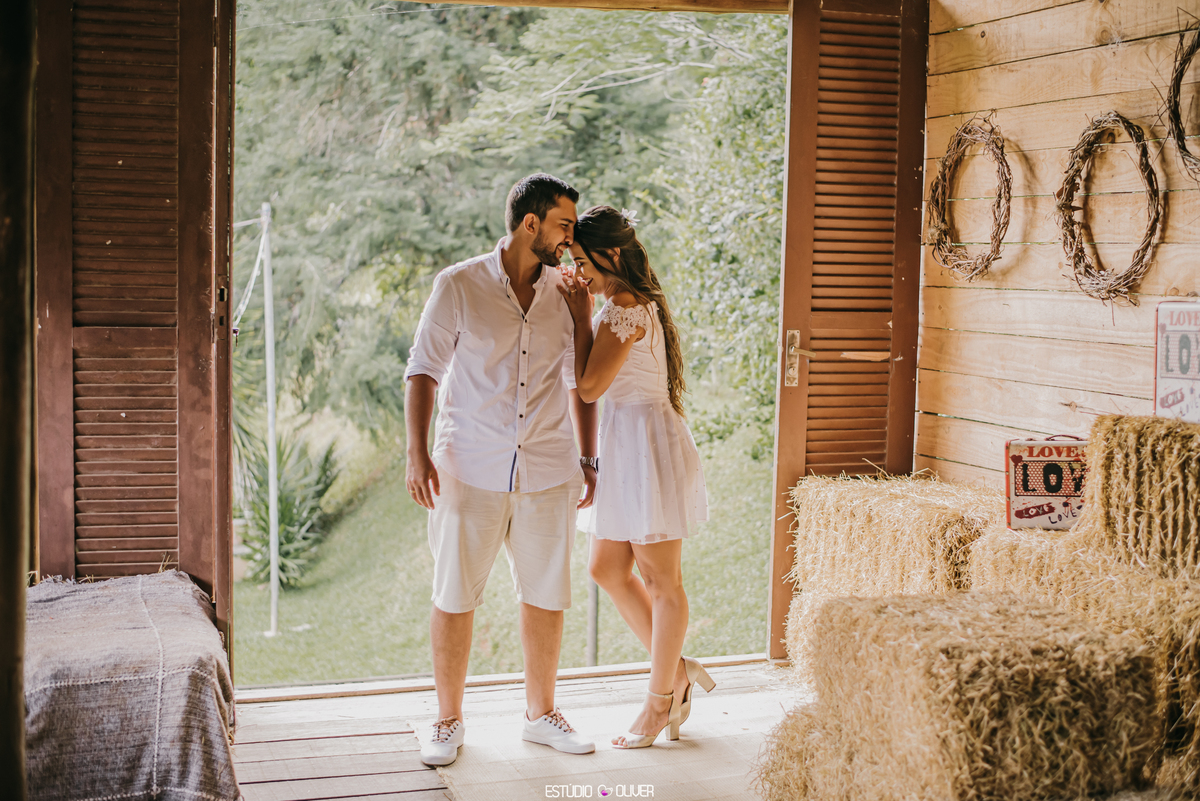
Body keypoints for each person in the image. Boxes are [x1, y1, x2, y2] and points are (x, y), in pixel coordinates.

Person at [404, 174, 600, 767]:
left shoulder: (568, 293)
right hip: (469, 466)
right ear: (530, 223)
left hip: (549, 465)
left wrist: (588, 457)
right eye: (564, 225)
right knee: (454, 594)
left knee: (546, 595)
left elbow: (580, 382)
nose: (570, 240)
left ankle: (542, 715)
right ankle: (447, 720)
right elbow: (423, 370)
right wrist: (416, 453)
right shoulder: (458, 285)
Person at [558, 205, 713, 750]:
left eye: (584, 263)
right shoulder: (619, 304)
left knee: (662, 581)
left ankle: (659, 701)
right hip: (625, 445)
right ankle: (677, 672)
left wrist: (580, 314)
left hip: (646, 449)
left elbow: (590, 387)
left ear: (612, 254)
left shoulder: (623, 308)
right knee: (606, 567)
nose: (580, 274)